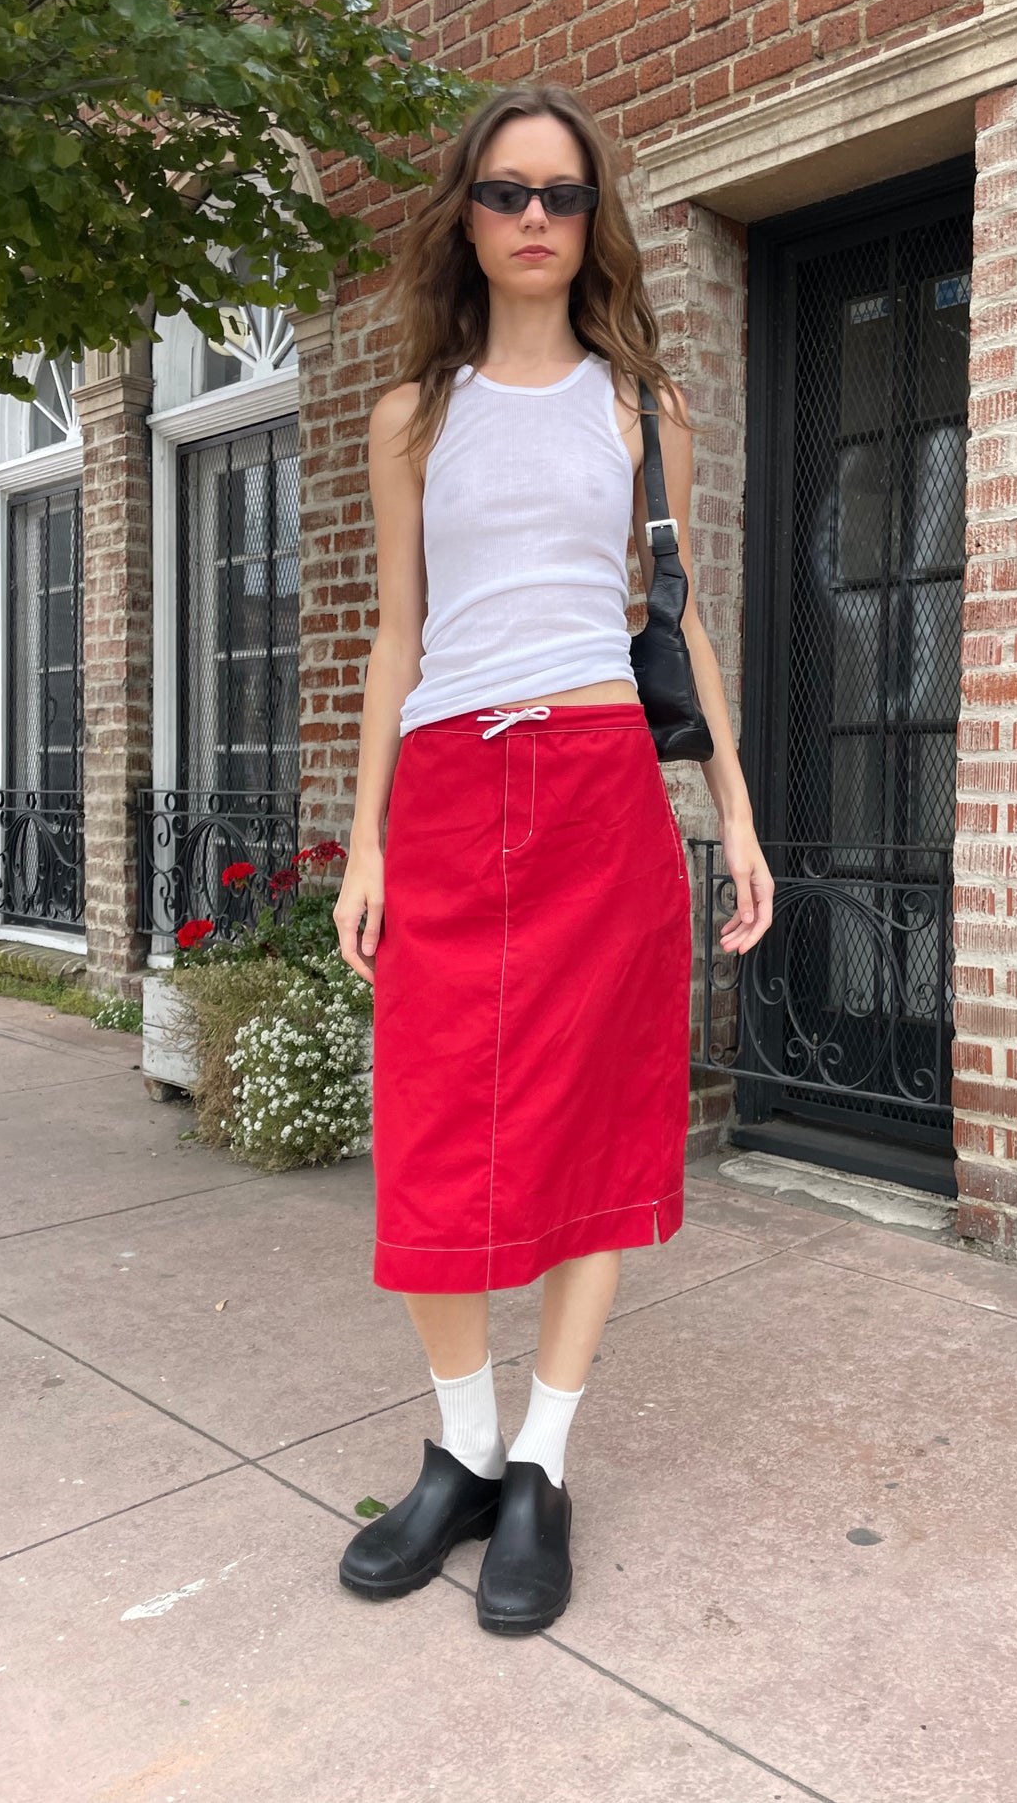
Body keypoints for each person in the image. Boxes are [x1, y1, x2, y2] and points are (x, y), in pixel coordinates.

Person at [332, 80, 774, 1636]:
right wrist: (364, 838)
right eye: (507, 192)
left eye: (561, 196)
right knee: (432, 1128)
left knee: (594, 1126)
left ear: (594, 224)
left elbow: (680, 620)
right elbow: (397, 637)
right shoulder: (412, 415)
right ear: (465, 212)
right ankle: (455, 1448)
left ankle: (540, 1465)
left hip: (598, 785)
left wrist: (732, 808)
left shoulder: (645, 413)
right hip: (450, 789)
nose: (533, 219)